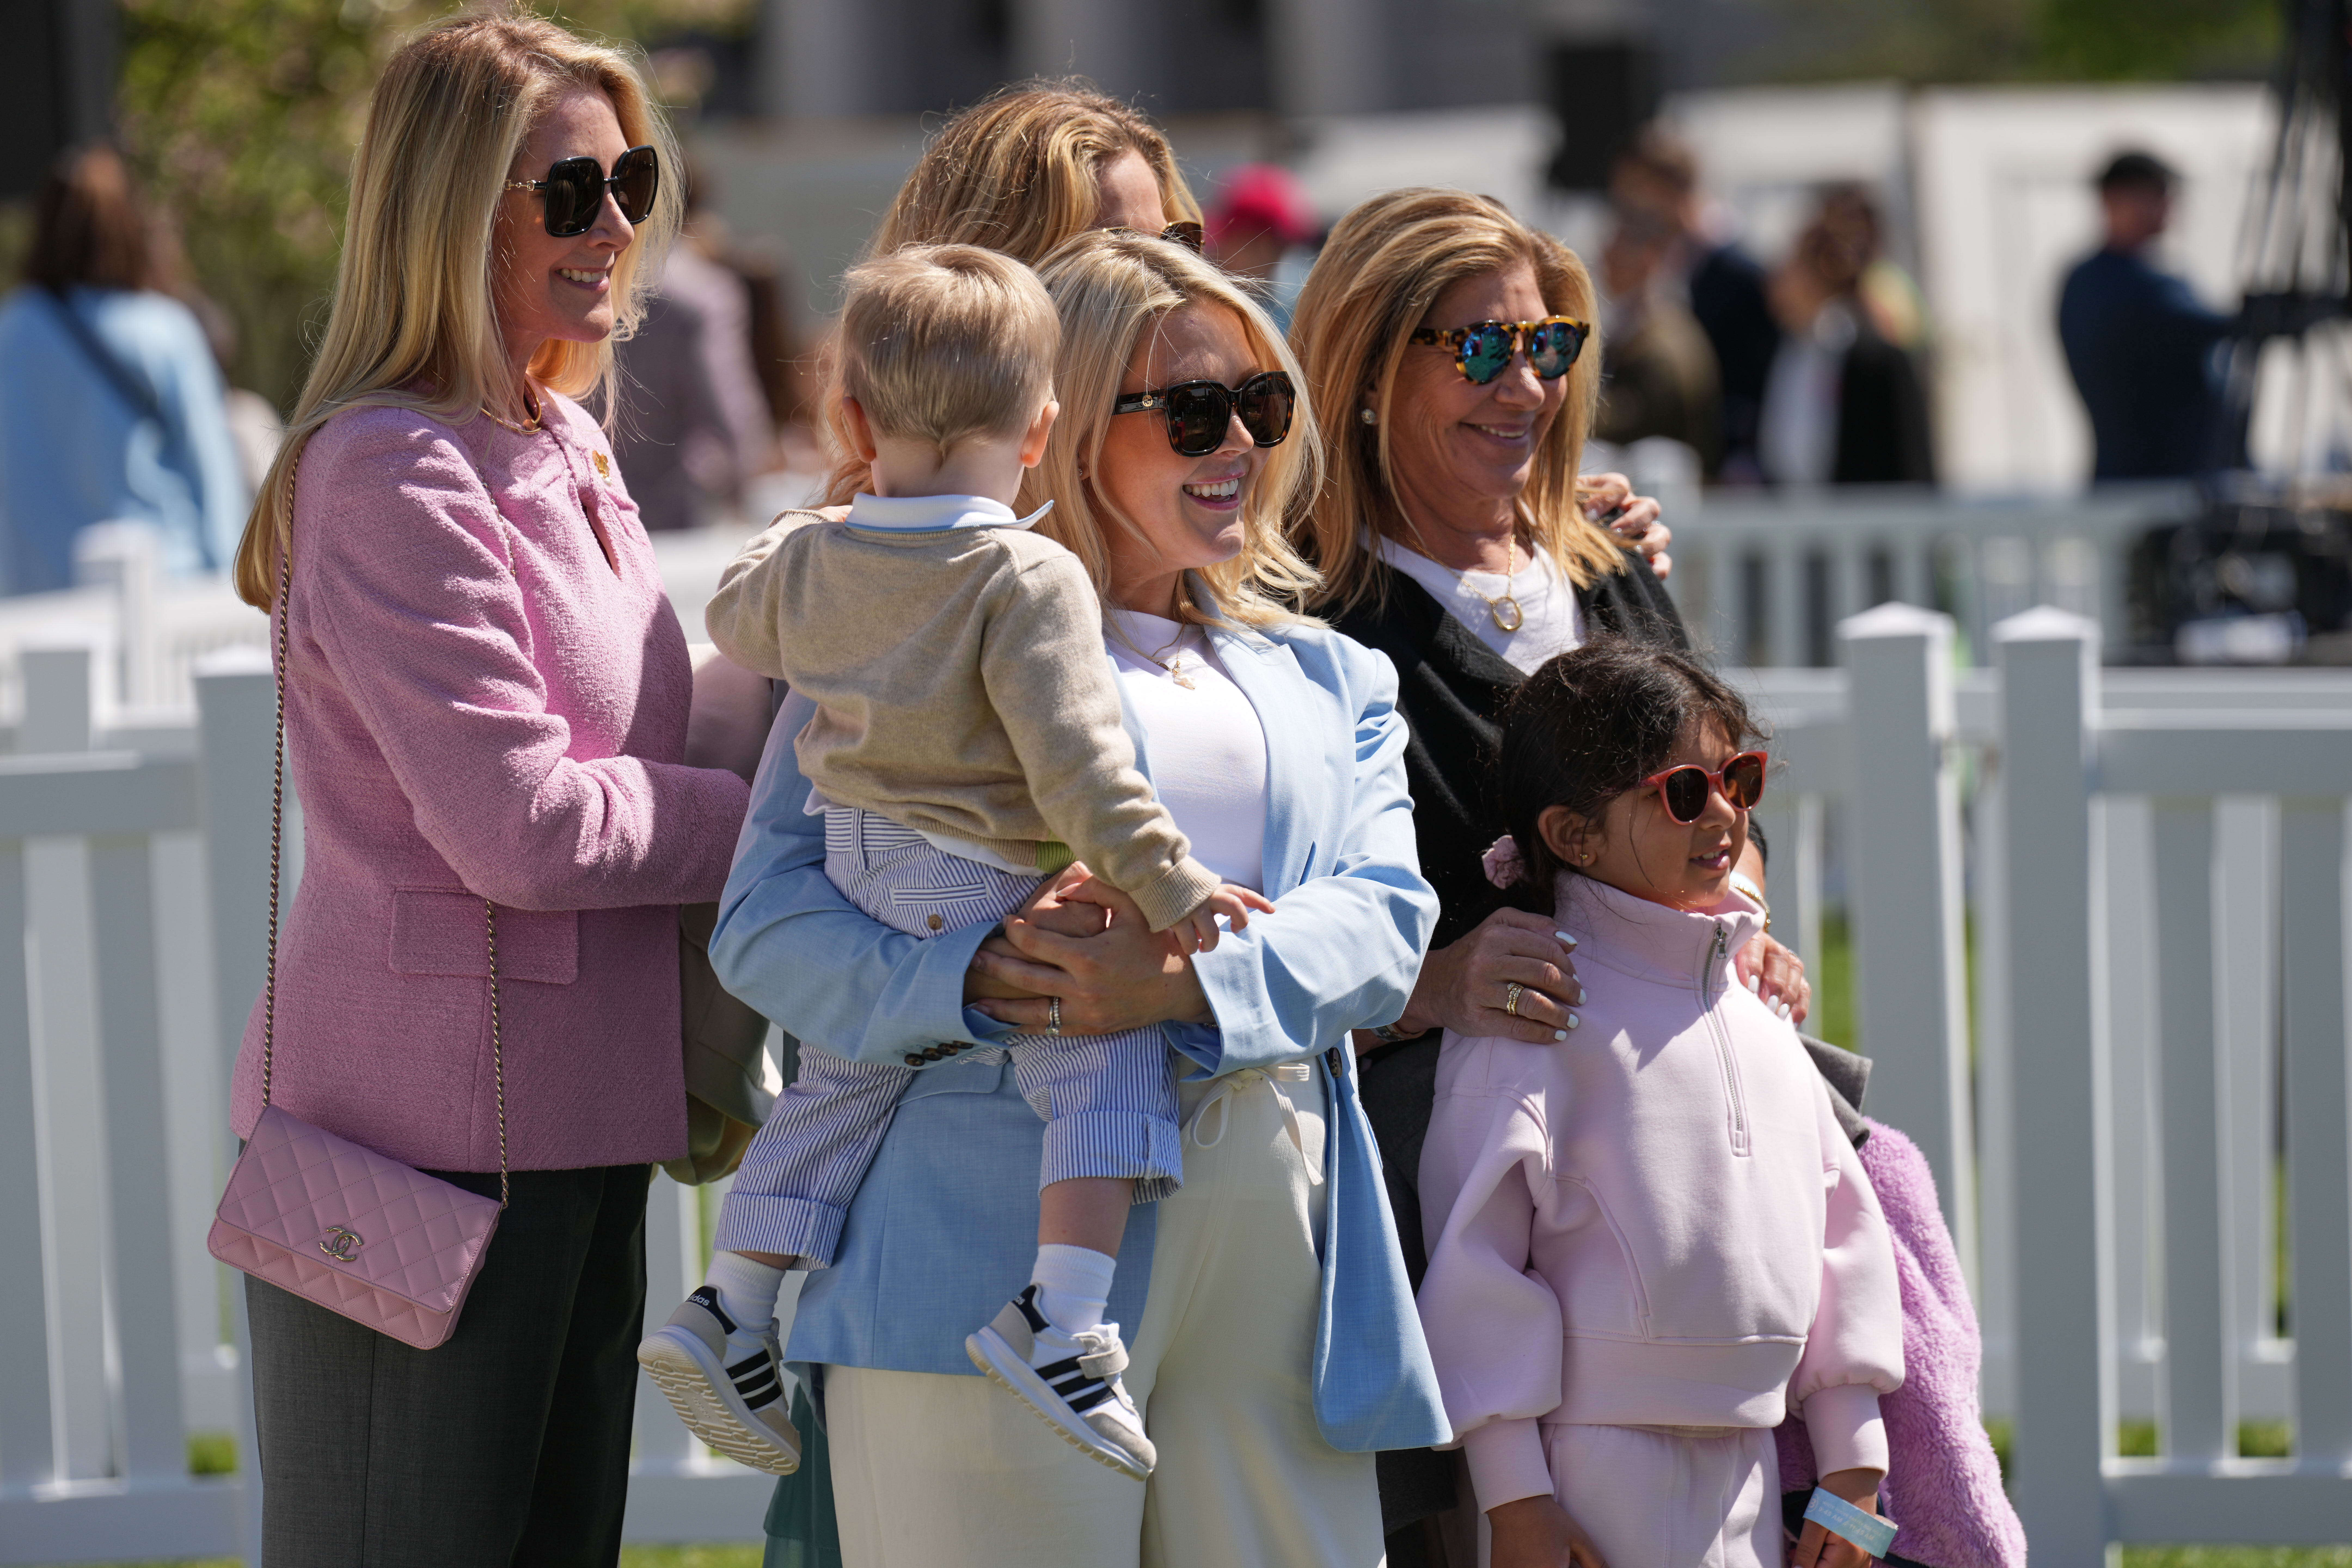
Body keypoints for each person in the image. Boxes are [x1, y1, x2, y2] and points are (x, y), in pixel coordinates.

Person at [713, 225, 1449, 1566]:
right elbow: (764, 923)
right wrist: (978, 981)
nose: (1239, 441)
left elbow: (1388, 925)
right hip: (971, 1242)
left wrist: (1180, 983)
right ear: (1064, 423)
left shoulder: (1335, 675)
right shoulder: (915, 624)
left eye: (1262, 404)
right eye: (1192, 409)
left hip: (1277, 1245)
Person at [222, 16, 751, 1561]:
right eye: (570, 190)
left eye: (630, 178)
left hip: (581, 1109)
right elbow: (522, 821)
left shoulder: (563, 435)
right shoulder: (392, 465)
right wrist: (779, 825)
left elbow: (631, 740)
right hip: (423, 1137)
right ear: (453, 213)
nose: (617, 225)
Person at [642, 242, 1272, 1483]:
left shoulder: (817, 556)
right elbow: (1081, 766)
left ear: (853, 417)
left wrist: (814, 538)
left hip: (858, 852)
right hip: (983, 854)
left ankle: (730, 1300)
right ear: (1042, 432)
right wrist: (1171, 884)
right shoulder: (1025, 572)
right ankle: (1064, 1317)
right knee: (1103, 1051)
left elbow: (731, 617)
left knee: (847, 1082)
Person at [1287, 185, 1814, 1563]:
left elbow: (1718, 794)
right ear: (1362, 366)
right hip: (1461, 1210)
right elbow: (1270, 916)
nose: (1522, 383)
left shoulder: (1611, 567)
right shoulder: (1310, 622)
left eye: (1549, 345)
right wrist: (1433, 982)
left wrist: (1744, 921)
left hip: (1683, 1207)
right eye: (1476, 350)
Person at [1418, 638, 1904, 1568]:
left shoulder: (1760, 1019)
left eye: (1739, 777)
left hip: (1754, 1459)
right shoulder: (1534, 1015)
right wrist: (1516, 1499)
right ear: (1573, 836)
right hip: (1588, 1467)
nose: (1724, 813)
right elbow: (1474, 1265)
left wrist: (1853, 1465)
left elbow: (1845, 1242)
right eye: (1683, 791)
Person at [0, 145, 246, 595]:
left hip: (34, 604)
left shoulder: (11, 331)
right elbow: (211, 473)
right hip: (163, 593)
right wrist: (234, 593)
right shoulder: (163, 331)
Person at [1610, 127, 1780, 483]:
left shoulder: (1738, 272)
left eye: (1637, 196)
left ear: (1666, 191)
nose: (1629, 211)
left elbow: (1755, 381)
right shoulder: (1674, 256)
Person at [611, 164, 775, 530]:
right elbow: (731, 411)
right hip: (678, 509)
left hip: (594, 497)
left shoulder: (598, 273)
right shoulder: (702, 291)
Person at [2058, 149, 2232, 480]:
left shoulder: (2150, 277)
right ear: (2112, 200)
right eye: (2154, 196)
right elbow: (2197, 325)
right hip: (2148, 483)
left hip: (2188, 475)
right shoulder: (2104, 282)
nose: (2166, 208)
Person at [1759, 200, 1936, 487]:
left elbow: (1912, 460)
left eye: (1791, 270)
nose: (1777, 284)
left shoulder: (1877, 359)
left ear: (1819, 276)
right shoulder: (1783, 349)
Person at [1594, 207, 1721, 474]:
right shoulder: (1636, 327)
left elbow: (1634, 421)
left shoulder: (1665, 342)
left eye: (1616, 255)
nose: (1605, 263)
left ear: (1648, 260)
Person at [1206, 163, 1319, 331]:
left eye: (1230, 239)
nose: (1215, 252)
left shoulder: (1299, 316)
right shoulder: (1212, 297)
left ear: (1262, 247)